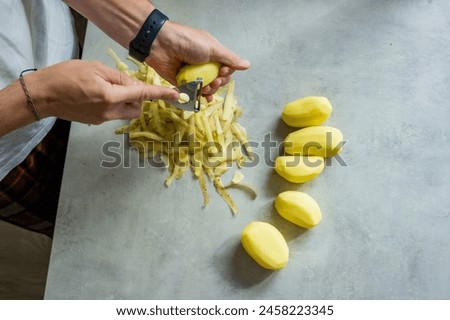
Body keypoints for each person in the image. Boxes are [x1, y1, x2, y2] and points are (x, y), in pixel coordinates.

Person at [0, 0, 250, 237]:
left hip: (50, 46)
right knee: (81, 223)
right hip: (12, 151)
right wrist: (41, 95)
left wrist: (152, 33)